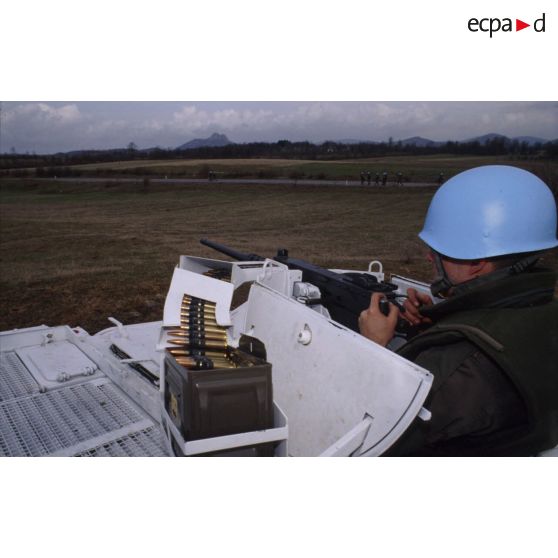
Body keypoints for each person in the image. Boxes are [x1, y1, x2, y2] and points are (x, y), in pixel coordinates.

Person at [358, 165, 558, 456]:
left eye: (439, 250)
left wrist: (372, 348)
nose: (430, 256)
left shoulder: (458, 372)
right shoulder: (542, 311)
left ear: (476, 262)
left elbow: (375, 437)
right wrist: (437, 323)